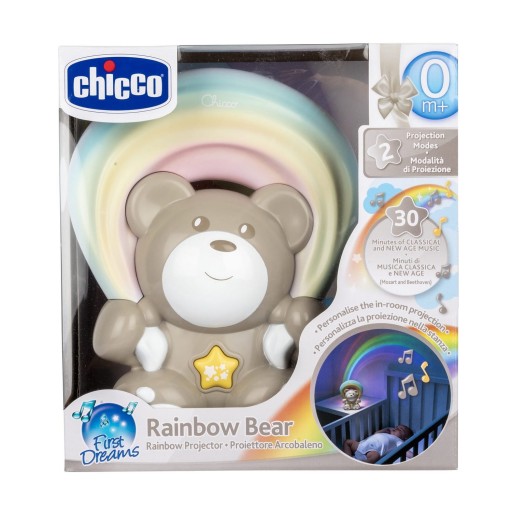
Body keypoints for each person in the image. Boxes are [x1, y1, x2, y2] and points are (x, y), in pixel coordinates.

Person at [342, 425, 413, 463]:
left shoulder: (398, 440)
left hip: (372, 450)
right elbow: (375, 434)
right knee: (348, 442)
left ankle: (361, 464)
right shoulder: (385, 433)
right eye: (396, 427)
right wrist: (383, 430)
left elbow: (405, 450)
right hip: (361, 445)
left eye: (400, 430)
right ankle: (349, 459)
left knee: (375, 456)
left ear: (405, 438)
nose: (397, 428)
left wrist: (414, 456)